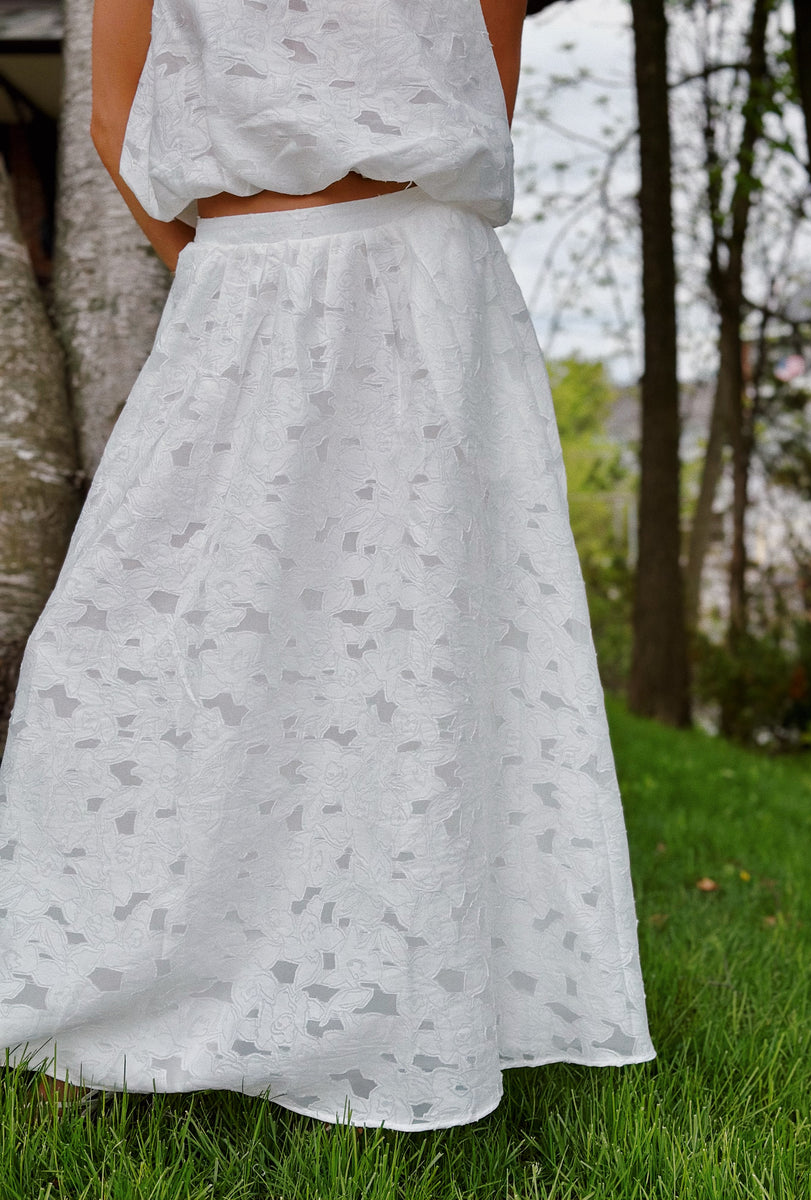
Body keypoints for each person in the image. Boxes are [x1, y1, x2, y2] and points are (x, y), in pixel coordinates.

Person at [0, 0, 655, 1130]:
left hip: (426, 286)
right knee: (132, 644)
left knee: (408, 657)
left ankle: (385, 1004)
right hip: (239, 283)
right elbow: (115, 113)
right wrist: (224, 264)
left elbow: (477, 84)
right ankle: (101, 999)